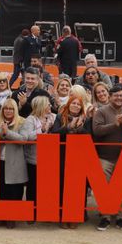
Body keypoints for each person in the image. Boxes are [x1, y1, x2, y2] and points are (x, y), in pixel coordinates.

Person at [91, 85, 122, 231]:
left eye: (121, 95)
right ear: (110, 96)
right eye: (116, 95)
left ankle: (120, 216)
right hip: (104, 157)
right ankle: (105, 216)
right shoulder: (101, 111)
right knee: (103, 187)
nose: (119, 98)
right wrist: (115, 124)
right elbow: (97, 131)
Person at [49, 89, 90, 229]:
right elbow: (53, 134)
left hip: (79, 158)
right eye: (74, 103)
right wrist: (68, 128)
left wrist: (79, 129)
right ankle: (62, 216)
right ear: (69, 105)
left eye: (79, 105)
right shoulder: (60, 118)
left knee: (77, 187)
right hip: (62, 156)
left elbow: (89, 137)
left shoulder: (86, 120)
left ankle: (75, 216)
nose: (76, 106)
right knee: (62, 186)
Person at [0, 99, 28, 227]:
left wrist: (8, 133)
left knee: (14, 191)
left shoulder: (22, 122)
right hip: (0, 161)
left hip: (15, 162)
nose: (8, 111)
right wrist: (1, 131)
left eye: (11, 109)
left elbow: (24, 139)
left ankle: (11, 218)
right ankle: (1, 217)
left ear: (15, 110)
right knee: (0, 190)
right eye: (6, 108)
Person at [21, 95, 55, 210]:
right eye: (48, 104)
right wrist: (42, 130)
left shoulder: (54, 117)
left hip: (50, 159)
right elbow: (27, 137)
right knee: (33, 186)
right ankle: (32, 211)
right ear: (41, 106)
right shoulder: (31, 119)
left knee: (47, 186)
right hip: (34, 160)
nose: (50, 106)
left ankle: (45, 209)